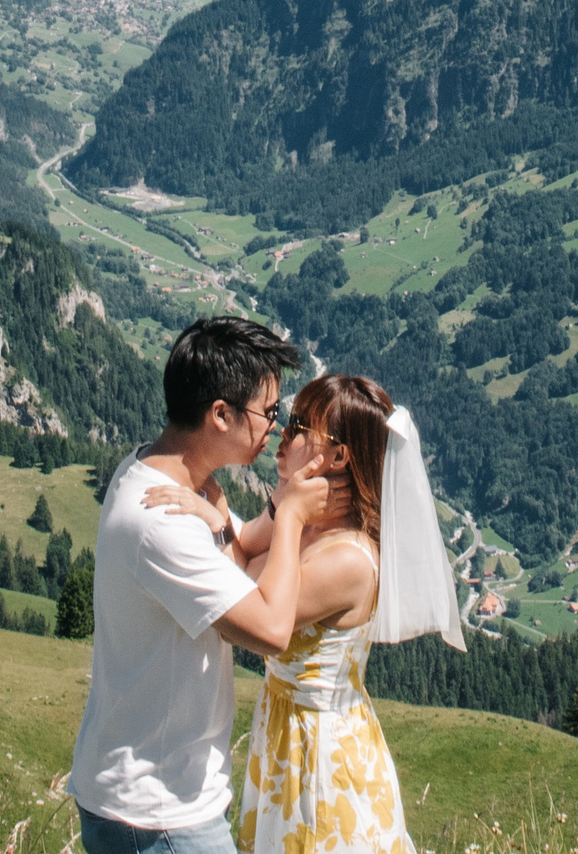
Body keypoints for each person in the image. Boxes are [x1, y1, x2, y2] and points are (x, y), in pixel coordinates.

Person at [145, 372, 465, 854]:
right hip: (288, 738)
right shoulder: (312, 527)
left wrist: (264, 517)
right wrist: (244, 515)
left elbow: (245, 597)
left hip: (321, 760)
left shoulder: (349, 561)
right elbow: (246, 553)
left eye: (299, 426)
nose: (282, 434)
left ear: (338, 456)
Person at [70, 317, 333, 854]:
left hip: (142, 796)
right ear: (220, 415)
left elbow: (236, 544)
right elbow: (270, 629)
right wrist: (293, 519)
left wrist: (224, 516)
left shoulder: (158, 471)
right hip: (160, 813)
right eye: (269, 412)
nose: (275, 429)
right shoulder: (163, 522)